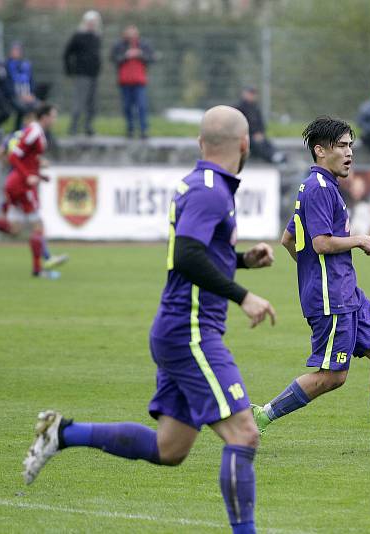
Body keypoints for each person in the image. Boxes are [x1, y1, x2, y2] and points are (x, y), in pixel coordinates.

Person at [22, 106, 276, 534]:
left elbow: (198, 255)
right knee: (244, 435)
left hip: (179, 329)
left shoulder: (204, 185)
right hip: (191, 331)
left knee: (170, 448)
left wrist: (242, 262)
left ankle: (62, 433)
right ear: (245, 144)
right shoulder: (211, 190)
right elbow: (186, 256)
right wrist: (243, 295)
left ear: (201, 144)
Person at [251, 116, 370, 454]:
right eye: (342, 145)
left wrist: (311, 273)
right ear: (321, 150)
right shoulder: (318, 188)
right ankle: (261, 416)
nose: (349, 153)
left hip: (348, 293)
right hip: (332, 298)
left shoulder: (323, 186)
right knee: (333, 376)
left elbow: (288, 238)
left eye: (350, 146)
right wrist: (357, 240)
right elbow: (319, 243)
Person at [0, 104, 68, 278]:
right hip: (21, 184)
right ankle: (40, 268)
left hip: (17, 183)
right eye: (53, 116)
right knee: (38, 226)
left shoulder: (36, 132)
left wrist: (39, 176)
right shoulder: (33, 131)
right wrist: (28, 177)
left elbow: (26, 160)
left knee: (14, 229)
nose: (55, 120)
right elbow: (13, 156)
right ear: (44, 117)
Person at [111, 25, 155, 139]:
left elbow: (151, 58)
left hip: (139, 81)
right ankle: (130, 129)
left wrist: (140, 55)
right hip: (125, 81)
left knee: (142, 105)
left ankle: (144, 129)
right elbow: (114, 58)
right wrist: (126, 56)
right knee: (127, 106)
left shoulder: (143, 45)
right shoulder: (120, 45)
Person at [63, 10, 102, 136]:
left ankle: (88, 126)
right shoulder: (78, 36)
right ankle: (73, 127)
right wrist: (69, 70)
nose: (92, 24)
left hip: (93, 74)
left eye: (94, 22)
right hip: (81, 74)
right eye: (90, 22)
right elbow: (67, 53)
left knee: (92, 103)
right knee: (79, 102)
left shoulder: (96, 36)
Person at [235, 87, 286, 163]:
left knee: (266, 142)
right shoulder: (239, 108)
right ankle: (272, 157)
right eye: (250, 93)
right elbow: (240, 125)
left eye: (253, 94)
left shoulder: (256, 108)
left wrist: (260, 133)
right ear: (244, 94)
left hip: (257, 136)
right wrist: (251, 134)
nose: (252, 96)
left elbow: (261, 123)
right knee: (258, 144)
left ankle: (276, 155)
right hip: (246, 136)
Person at [6, 42, 38, 132]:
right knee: (23, 108)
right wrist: (19, 96)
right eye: (14, 50)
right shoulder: (6, 65)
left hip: (28, 96)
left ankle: (39, 133)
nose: (16, 52)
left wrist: (31, 94)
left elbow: (32, 81)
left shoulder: (26, 65)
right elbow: (6, 85)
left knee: (40, 108)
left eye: (18, 50)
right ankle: (19, 131)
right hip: (13, 97)